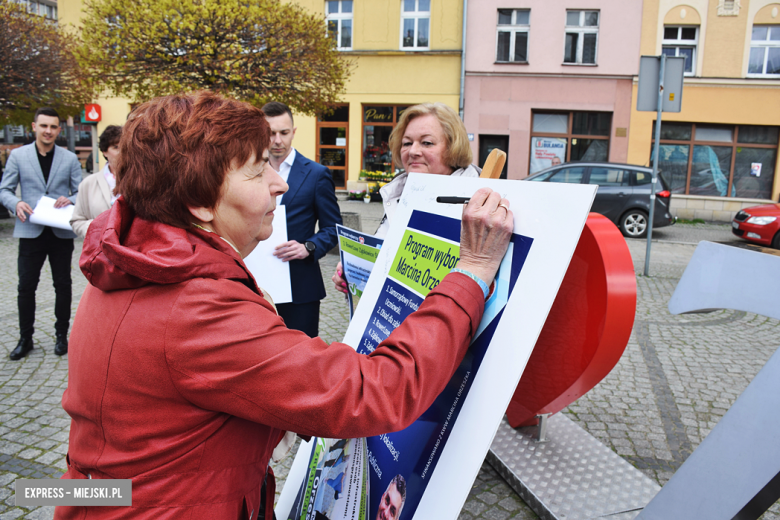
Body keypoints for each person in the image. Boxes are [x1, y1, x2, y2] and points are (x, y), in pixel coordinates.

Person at [54, 91, 513, 519]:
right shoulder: (197, 307)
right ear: (198, 203)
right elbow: (371, 392)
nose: (278, 183)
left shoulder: (135, 259)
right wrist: (470, 274)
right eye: (257, 170)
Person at [333, 102, 481, 293]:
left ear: (453, 146)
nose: (413, 151)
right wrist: (355, 274)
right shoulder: (398, 194)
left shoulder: (480, 203)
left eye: (426, 142)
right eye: (407, 143)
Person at [0, 107, 81, 360]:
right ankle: (25, 339)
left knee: (63, 285)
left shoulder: (69, 158)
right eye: (43, 126)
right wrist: (16, 203)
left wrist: (69, 199)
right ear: (34, 127)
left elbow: (81, 192)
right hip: (30, 230)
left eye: (53, 127)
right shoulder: (18, 156)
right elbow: (5, 190)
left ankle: (61, 336)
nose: (48, 131)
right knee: (26, 287)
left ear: (59, 129)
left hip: (60, 232)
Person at [262, 101, 342, 338]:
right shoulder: (246, 170)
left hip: (300, 286)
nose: (278, 140)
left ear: (293, 132)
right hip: (256, 283)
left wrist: (309, 247)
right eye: (271, 133)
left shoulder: (317, 174)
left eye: (284, 133)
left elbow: (333, 228)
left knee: (300, 357)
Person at [69, 125, 122, 238]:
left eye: (125, 146)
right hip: (100, 249)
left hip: (133, 251)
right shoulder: (89, 183)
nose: (122, 151)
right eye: (116, 147)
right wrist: (97, 227)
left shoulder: (141, 181)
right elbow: (76, 221)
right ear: (104, 151)